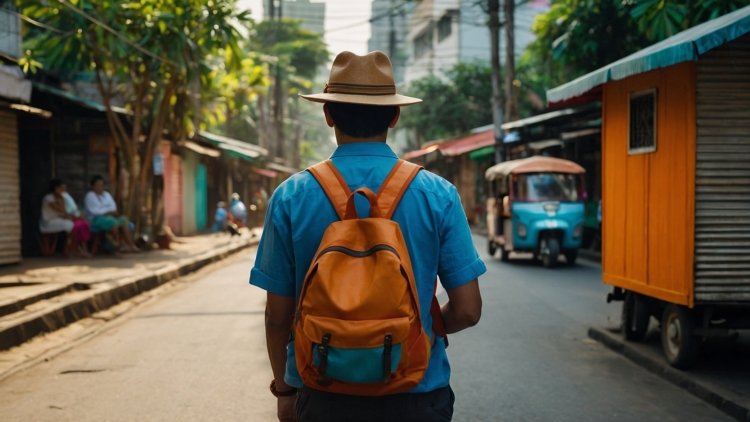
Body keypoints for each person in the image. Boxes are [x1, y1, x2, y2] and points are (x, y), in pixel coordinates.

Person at [250, 51, 485, 422]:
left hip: (322, 392)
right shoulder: (437, 193)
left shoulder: (291, 196)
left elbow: (277, 316)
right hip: (418, 391)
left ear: (328, 114)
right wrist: (420, 328)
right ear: (395, 114)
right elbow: (469, 309)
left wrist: (284, 388)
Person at [84, 175, 139, 253]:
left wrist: (107, 211)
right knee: (113, 223)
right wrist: (107, 211)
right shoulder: (90, 196)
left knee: (124, 220)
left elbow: (113, 207)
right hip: (96, 219)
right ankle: (116, 247)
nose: (100, 187)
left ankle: (131, 245)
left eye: (101, 185)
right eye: (98, 185)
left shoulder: (106, 195)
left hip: (110, 217)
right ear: (93, 186)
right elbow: (94, 211)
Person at [39, 179, 91, 257]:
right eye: (61, 188)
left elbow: (64, 211)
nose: (63, 190)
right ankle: (69, 249)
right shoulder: (48, 198)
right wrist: (62, 199)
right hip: (48, 222)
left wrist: (62, 199)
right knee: (71, 226)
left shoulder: (60, 198)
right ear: (56, 189)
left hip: (58, 220)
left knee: (76, 224)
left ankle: (72, 249)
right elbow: (61, 209)